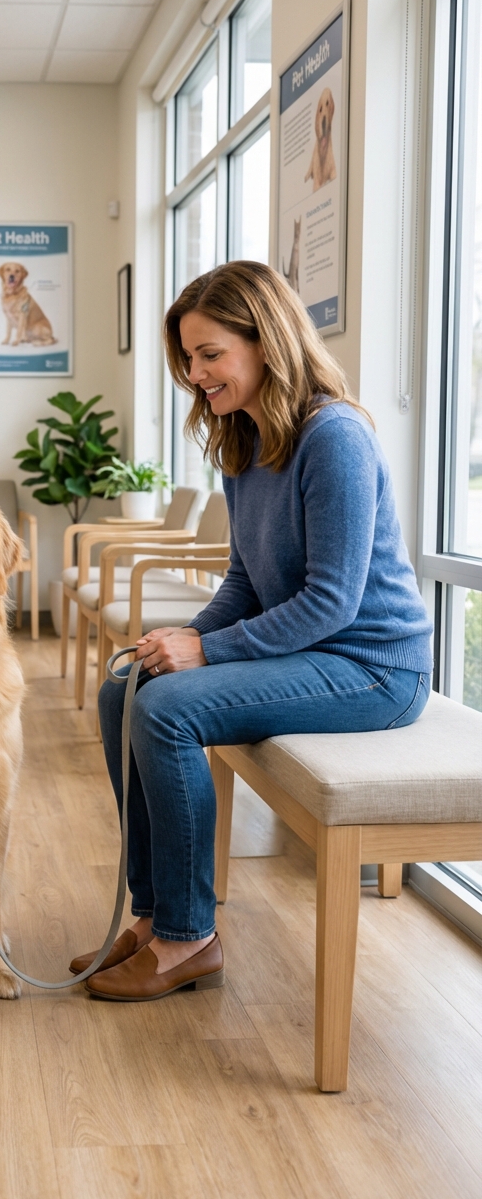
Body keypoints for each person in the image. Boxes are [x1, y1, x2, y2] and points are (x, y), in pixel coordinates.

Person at [72, 261, 433, 1003]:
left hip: (373, 669)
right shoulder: (245, 438)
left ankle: (188, 937)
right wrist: (176, 639)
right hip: (312, 654)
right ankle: (153, 915)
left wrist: (203, 652)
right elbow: (245, 580)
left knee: (168, 710)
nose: (197, 375)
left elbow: (331, 602)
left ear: (265, 342)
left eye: (211, 354)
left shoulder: (332, 437)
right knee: (125, 685)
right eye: (189, 358)